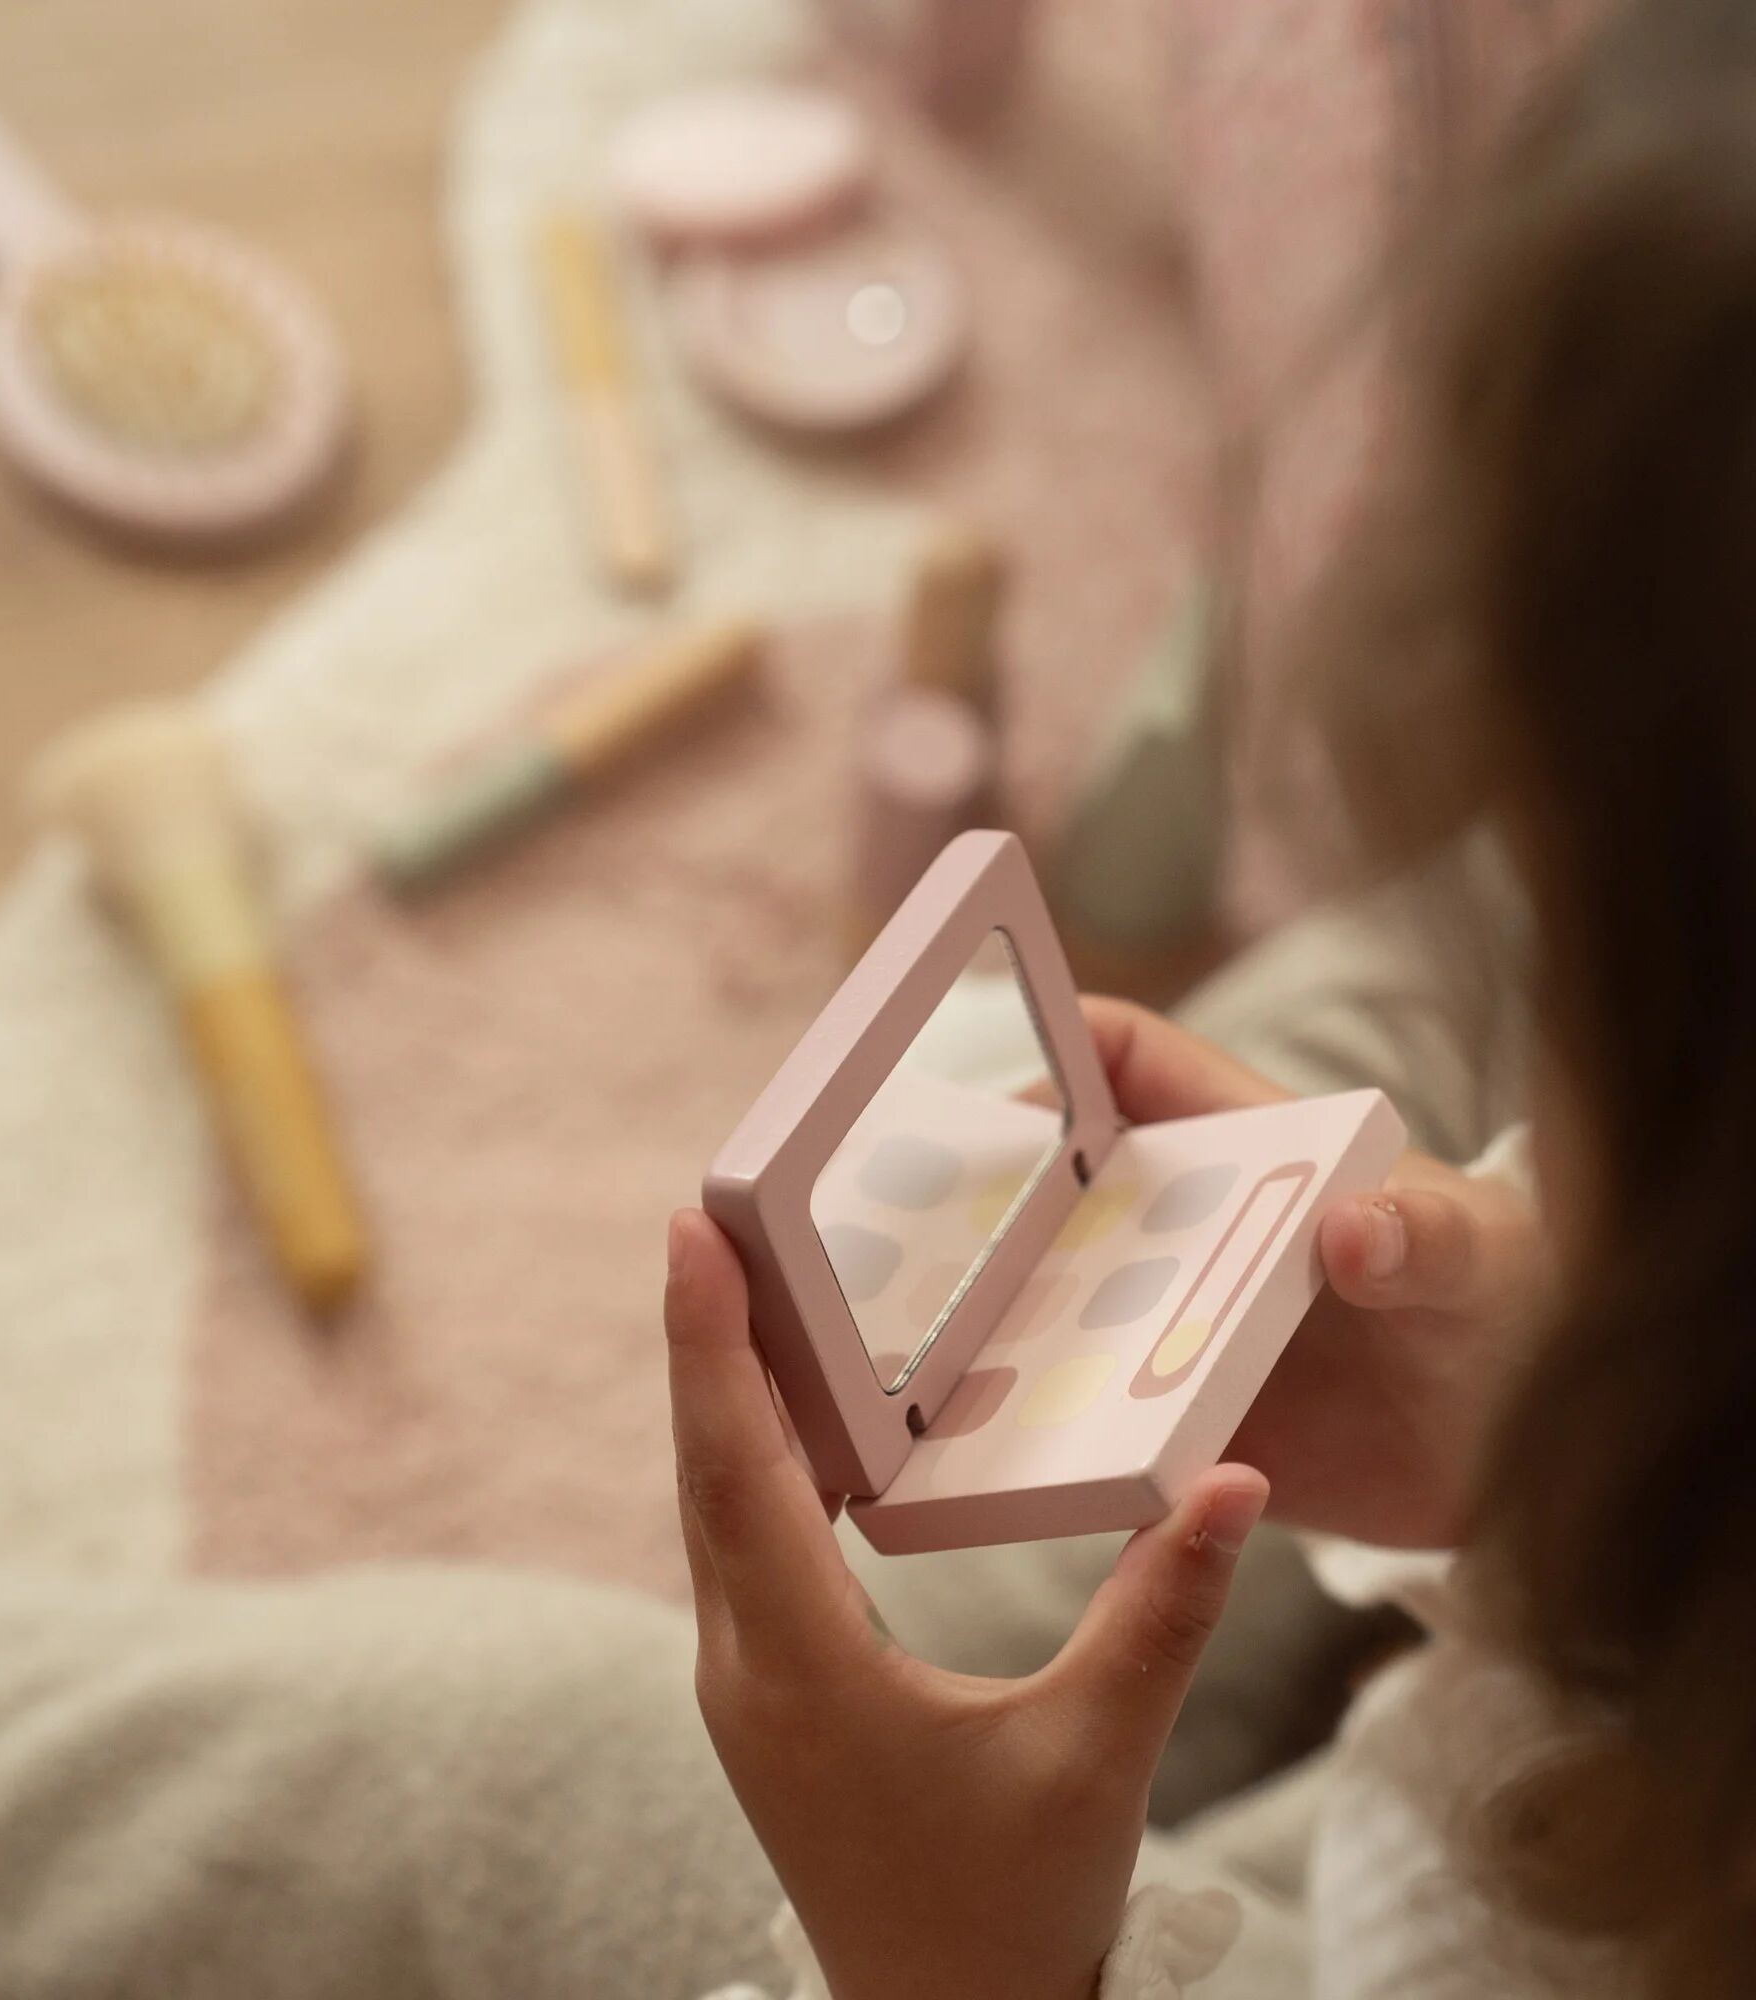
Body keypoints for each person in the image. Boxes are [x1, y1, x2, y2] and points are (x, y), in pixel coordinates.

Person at [667, 2, 1756, 1995]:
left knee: (474, 1736)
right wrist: (1553, 1422)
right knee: (1307, 1100)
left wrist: (951, 1957)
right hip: (1566, 1626)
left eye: (1571, 978)